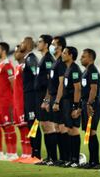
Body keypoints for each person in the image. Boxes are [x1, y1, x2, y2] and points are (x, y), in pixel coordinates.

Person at [34, 35, 57, 166]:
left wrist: (47, 99)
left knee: (49, 126)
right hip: (40, 97)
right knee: (45, 126)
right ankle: (49, 157)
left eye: (40, 41)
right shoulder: (42, 59)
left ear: (47, 44)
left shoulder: (48, 59)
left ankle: (53, 157)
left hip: (45, 97)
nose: (38, 43)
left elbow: (50, 81)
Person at [0, 42, 18, 161]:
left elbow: (13, 83)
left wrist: (14, 100)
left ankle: (13, 153)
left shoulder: (8, 65)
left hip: (7, 102)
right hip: (0, 102)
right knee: (4, 127)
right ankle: (8, 153)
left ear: (3, 51)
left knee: (9, 126)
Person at [20, 37, 41, 163]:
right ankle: (33, 153)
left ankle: (37, 154)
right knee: (30, 124)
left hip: (32, 96)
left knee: (33, 124)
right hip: (28, 96)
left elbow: (36, 76)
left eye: (23, 43)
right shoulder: (28, 59)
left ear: (28, 44)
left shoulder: (31, 59)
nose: (21, 45)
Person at [79, 48, 100, 169]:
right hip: (86, 103)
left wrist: (88, 104)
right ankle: (92, 161)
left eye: (84, 56)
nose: (81, 58)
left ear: (91, 58)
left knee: (92, 132)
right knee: (89, 132)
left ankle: (95, 162)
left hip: (91, 104)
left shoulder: (92, 70)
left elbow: (94, 89)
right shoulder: (86, 71)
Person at [48, 36, 68, 166]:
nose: (51, 46)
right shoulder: (56, 62)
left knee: (62, 128)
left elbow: (61, 84)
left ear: (60, 46)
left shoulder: (61, 63)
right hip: (54, 97)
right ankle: (61, 158)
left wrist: (57, 101)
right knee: (57, 127)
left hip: (59, 99)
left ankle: (67, 157)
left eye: (53, 44)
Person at [11, 44, 33, 163]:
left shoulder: (23, 68)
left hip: (23, 101)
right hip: (17, 101)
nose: (15, 54)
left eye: (17, 52)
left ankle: (29, 153)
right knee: (21, 127)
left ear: (23, 53)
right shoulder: (17, 67)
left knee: (26, 127)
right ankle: (24, 154)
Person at [61, 46, 82, 167]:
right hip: (66, 102)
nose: (62, 55)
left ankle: (75, 159)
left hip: (71, 102)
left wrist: (76, 106)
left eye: (65, 53)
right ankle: (71, 158)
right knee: (69, 129)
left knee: (73, 129)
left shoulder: (74, 69)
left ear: (71, 55)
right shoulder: (68, 69)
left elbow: (77, 88)